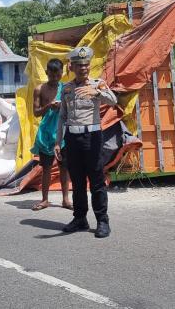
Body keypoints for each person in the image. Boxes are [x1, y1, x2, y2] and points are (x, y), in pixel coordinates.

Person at [54, 46, 117, 238]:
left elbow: (114, 101)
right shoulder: (66, 89)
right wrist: (58, 142)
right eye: (79, 65)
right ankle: (80, 218)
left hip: (93, 138)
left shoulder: (98, 84)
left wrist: (97, 93)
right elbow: (62, 117)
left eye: (86, 64)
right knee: (78, 181)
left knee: (97, 180)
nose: (84, 68)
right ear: (71, 67)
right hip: (72, 139)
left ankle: (102, 221)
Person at [30, 58, 71, 211]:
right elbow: (35, 112)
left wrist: (62, 107)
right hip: (46, 134)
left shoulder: (66, 88)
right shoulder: (39, 89)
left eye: (57, 75)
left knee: (64, 167)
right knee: (46, 167)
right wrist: (49, 105)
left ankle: (66, 199)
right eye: (51, 75)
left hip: (63, 132)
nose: (54, 79)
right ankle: (45, 199)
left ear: (62, 73)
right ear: (46, 72)